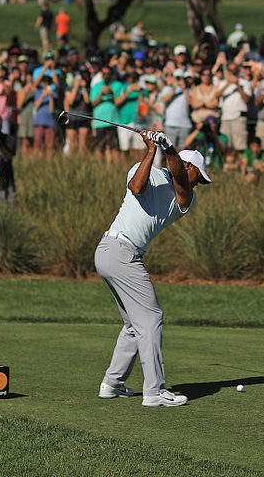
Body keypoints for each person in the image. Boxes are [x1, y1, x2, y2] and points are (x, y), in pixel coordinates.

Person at [94, 129, 211, 407]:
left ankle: (112, 383)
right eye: (200, 175)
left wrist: (168, 147)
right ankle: (155, 391)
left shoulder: (186, 197)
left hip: (115, 255)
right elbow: (136, 187)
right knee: (151, 317)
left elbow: (180, 180)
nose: (201, 183)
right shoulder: (146, 169)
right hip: (116, 251)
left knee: (135, 325)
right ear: (189, 165)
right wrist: (151, 151)